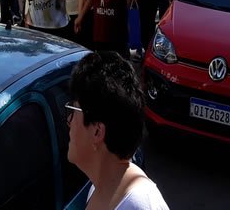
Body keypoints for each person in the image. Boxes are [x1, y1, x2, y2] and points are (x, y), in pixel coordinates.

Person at [67, 52, 169, 210]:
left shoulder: (139, 204)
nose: (69, 121)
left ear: (97, 131)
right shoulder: (98, 188)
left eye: (73, 111)